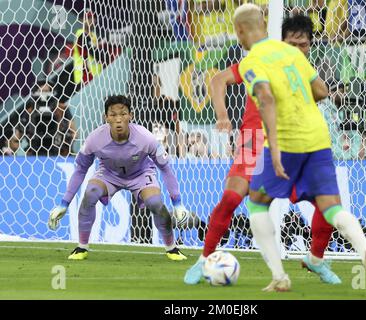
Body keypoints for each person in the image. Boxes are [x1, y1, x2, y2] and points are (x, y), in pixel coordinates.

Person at [233, 3, 366, 293]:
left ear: (240, 31)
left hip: (287, 139)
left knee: (256, 201)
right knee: (332, 207)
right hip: (317, 137)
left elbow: (265, 98)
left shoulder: (252, 61)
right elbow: (321, 90)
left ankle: (280, 277)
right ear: (264, 26)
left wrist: (275, 148)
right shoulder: (293, 54)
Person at [184, 14, 341, 286]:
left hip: (292, 144)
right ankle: (203, 259)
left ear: (310, 46)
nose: (297, 50)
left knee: (329, 207)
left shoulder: (306, 75)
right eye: (291, 43)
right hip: (253, 140)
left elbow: (321, 95)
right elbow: (218, 80)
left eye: (302, 45)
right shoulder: (259, 62)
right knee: (232, 199)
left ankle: (316, 259)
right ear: (282, 42)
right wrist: (222, 115)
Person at [48, 95, 190, 261]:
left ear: (131, 116)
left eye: (123, 114)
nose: (118, 119)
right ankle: (82, 247)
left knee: (155, 203)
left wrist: (178, 204)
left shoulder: (146, 138)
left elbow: (165, 168)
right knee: (90, 193)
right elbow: (80, 169)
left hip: (141, 173)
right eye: (113, 115)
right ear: (106, 118)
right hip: (109, 174)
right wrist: (64, 204)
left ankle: (172, 249)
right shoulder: (94, 139)